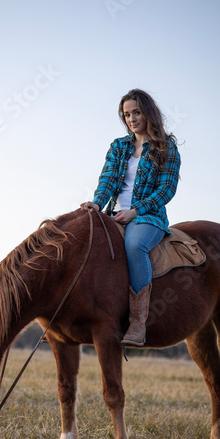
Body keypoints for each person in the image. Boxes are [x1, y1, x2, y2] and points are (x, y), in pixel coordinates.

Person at [81, 89, 181, 347]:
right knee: (83, 239)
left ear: (148, 113)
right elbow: (108, 180)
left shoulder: (166, 147)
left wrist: (135, 211)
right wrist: (97, 203)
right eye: (127, 114)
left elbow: (166, 190)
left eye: (136, 112)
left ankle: (138, 322)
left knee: (135, 246)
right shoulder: (119, 146)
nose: (132, 119)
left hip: (149, 217)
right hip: (114, 214)